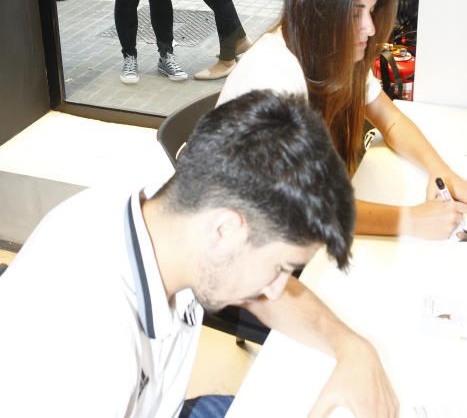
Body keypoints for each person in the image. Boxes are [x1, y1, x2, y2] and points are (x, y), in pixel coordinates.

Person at [0, 89, 399, 418]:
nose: (277, 290)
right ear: (226, 230)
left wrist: (353, 349)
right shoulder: (88, 347)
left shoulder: (177, 212)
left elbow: (268, 298)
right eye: (279, 268)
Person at [218, 0, 467, 239]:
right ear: (317, 12)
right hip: (246, 240)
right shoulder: (274, 76)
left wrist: (440, 171)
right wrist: (411, 221)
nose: (371, 28)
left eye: (372, 11)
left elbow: (390, 119)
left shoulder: (332, 49)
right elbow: (306, 210)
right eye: (355, 14)